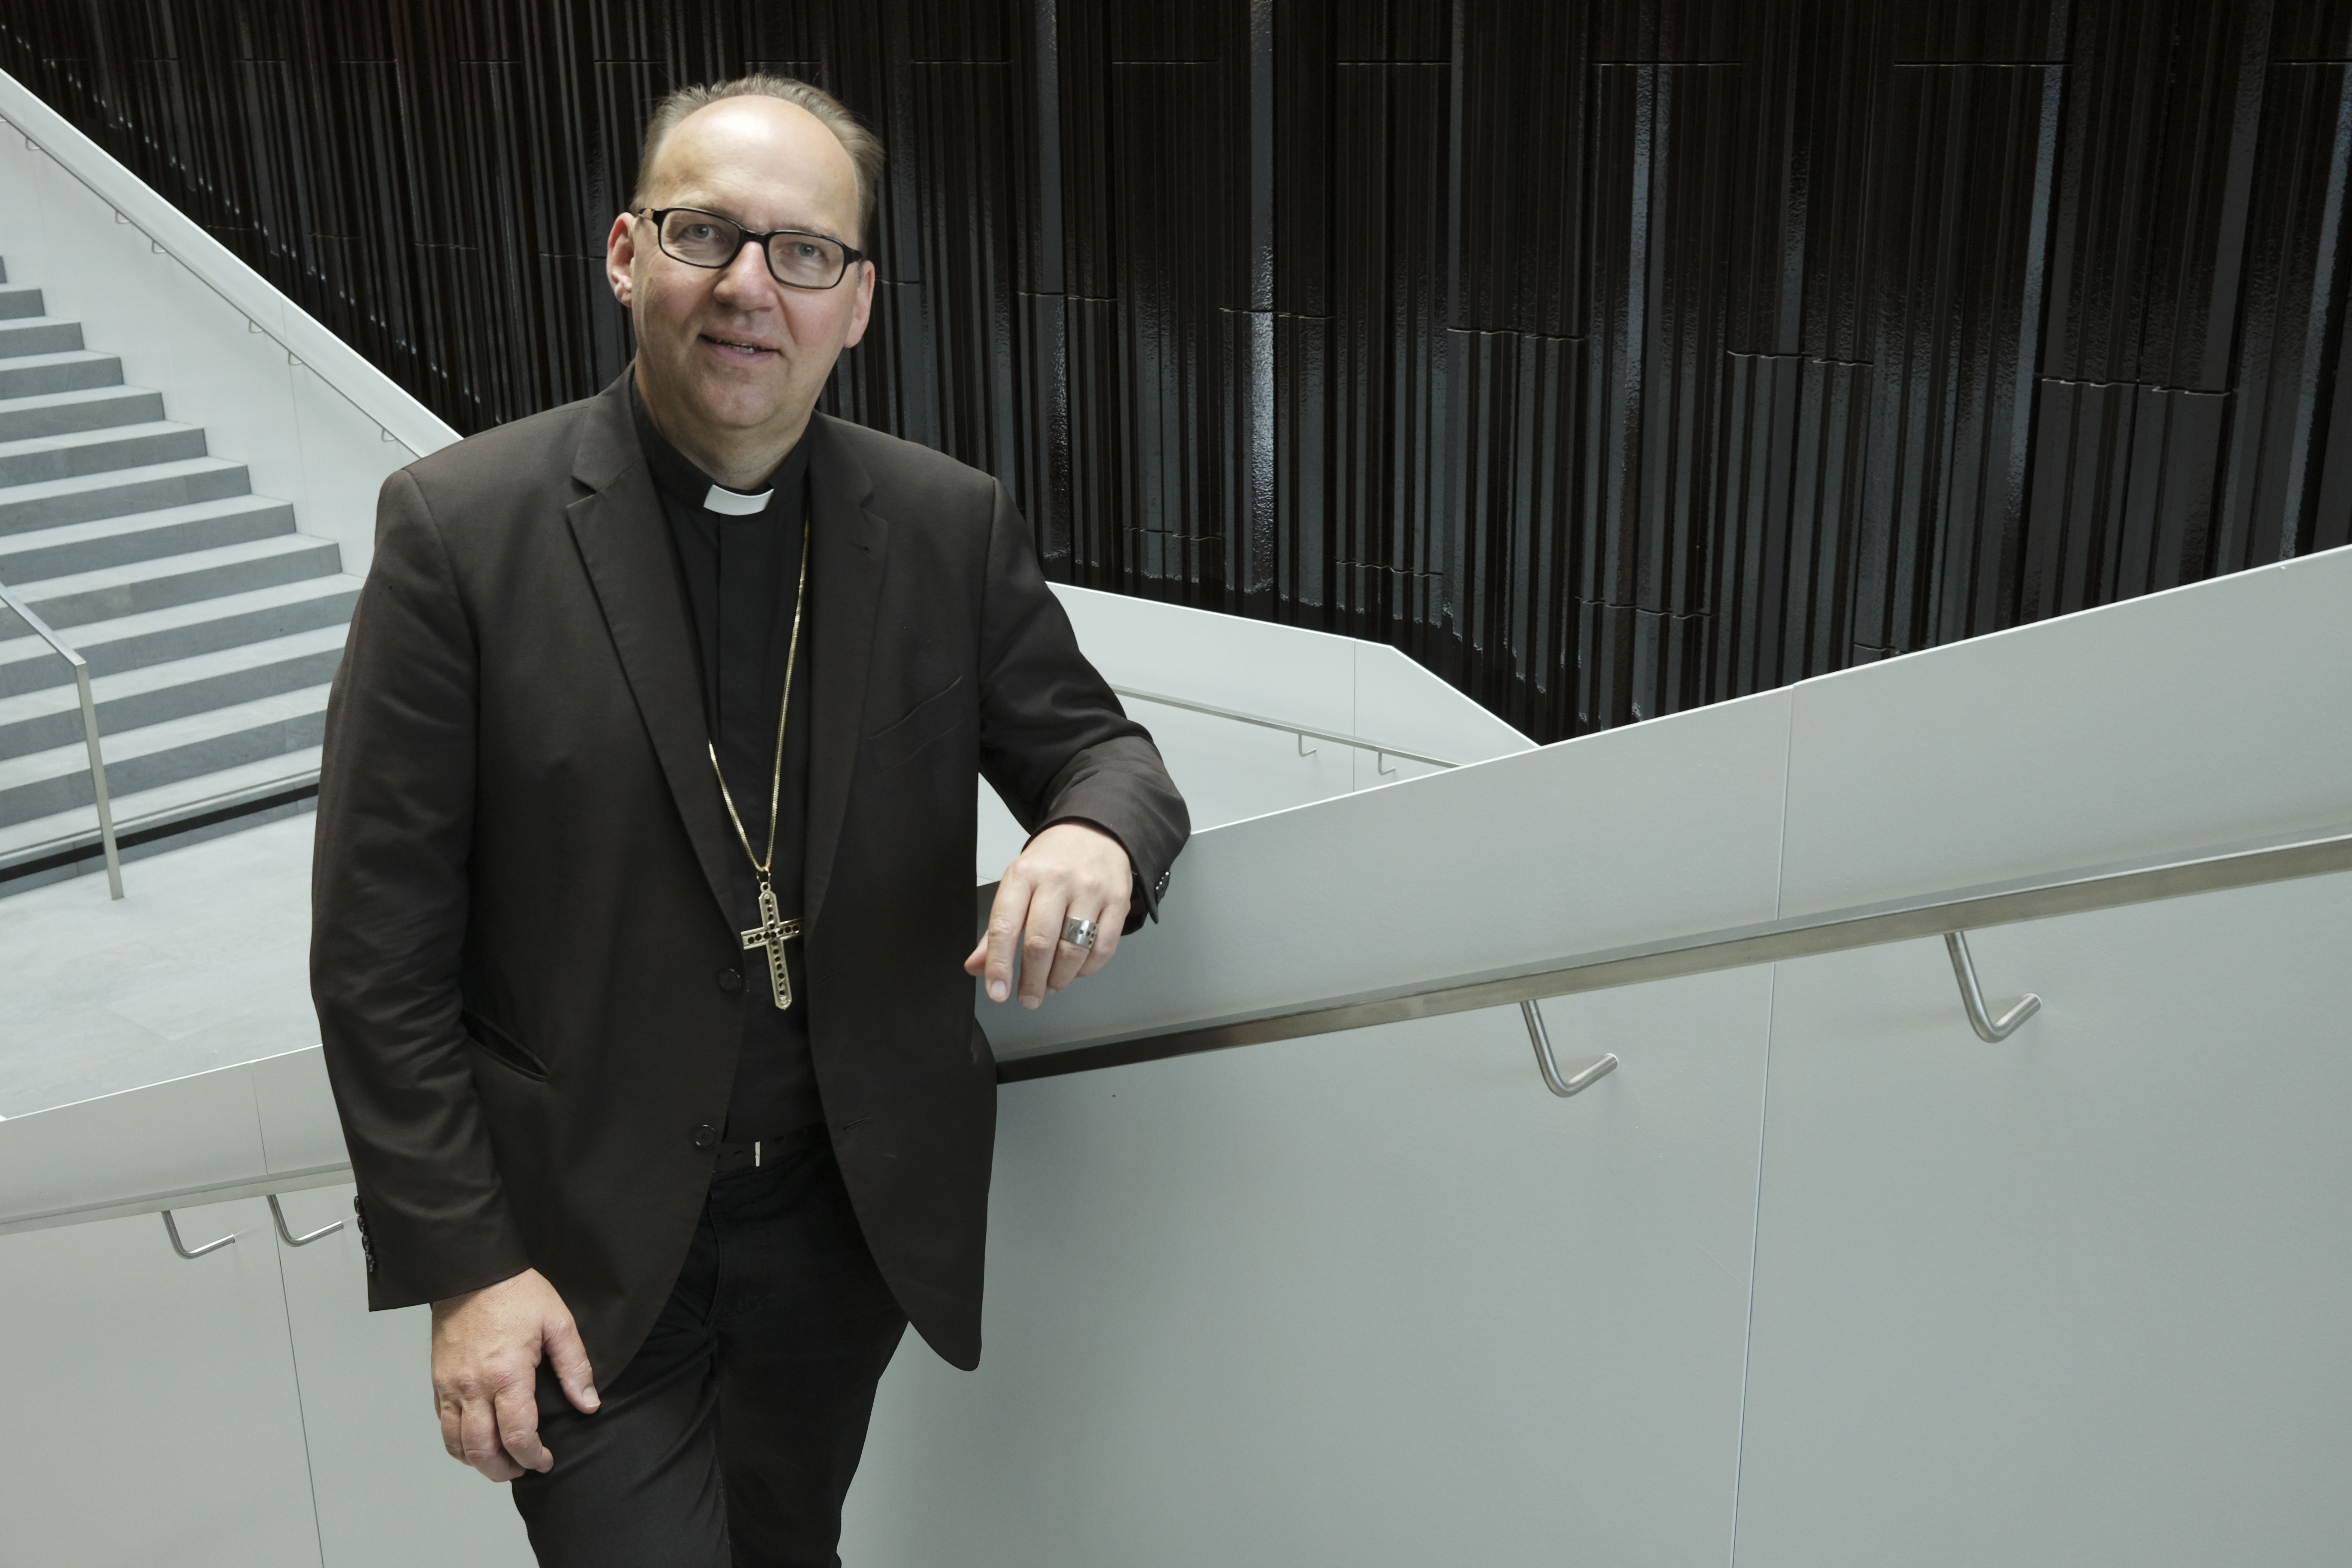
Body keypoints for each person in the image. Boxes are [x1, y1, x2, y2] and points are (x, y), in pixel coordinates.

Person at [310, 74, 1188, 1567]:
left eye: (804, 252)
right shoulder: (460, 531)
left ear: (858, 304)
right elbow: (377, 948)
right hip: (585, 1245)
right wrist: (466, 1266)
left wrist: (1089, 835)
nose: (748, 287)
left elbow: (1103, 754)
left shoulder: (945, 523)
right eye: (705, 233)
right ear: (626, 254)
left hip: (842, 1229)